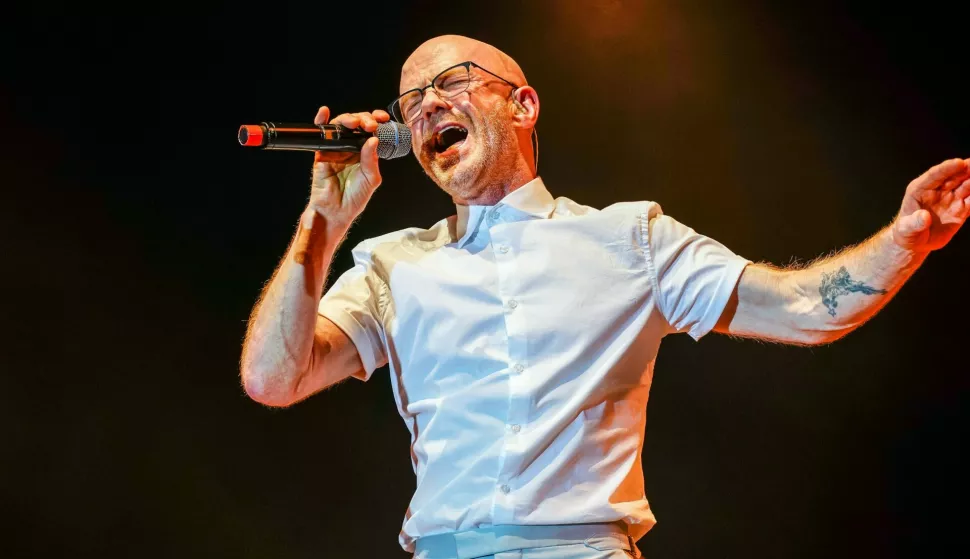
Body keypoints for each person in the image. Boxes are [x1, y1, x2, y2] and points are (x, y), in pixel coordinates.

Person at [240, 34, 970, 559]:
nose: (427, 105)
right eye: (410, 99)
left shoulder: (630, 239)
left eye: (452, 80)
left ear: (522, 104)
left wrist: (903, 239)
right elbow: (274, 377)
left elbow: (807, 308)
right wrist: (323, 222)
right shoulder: (391, 264)